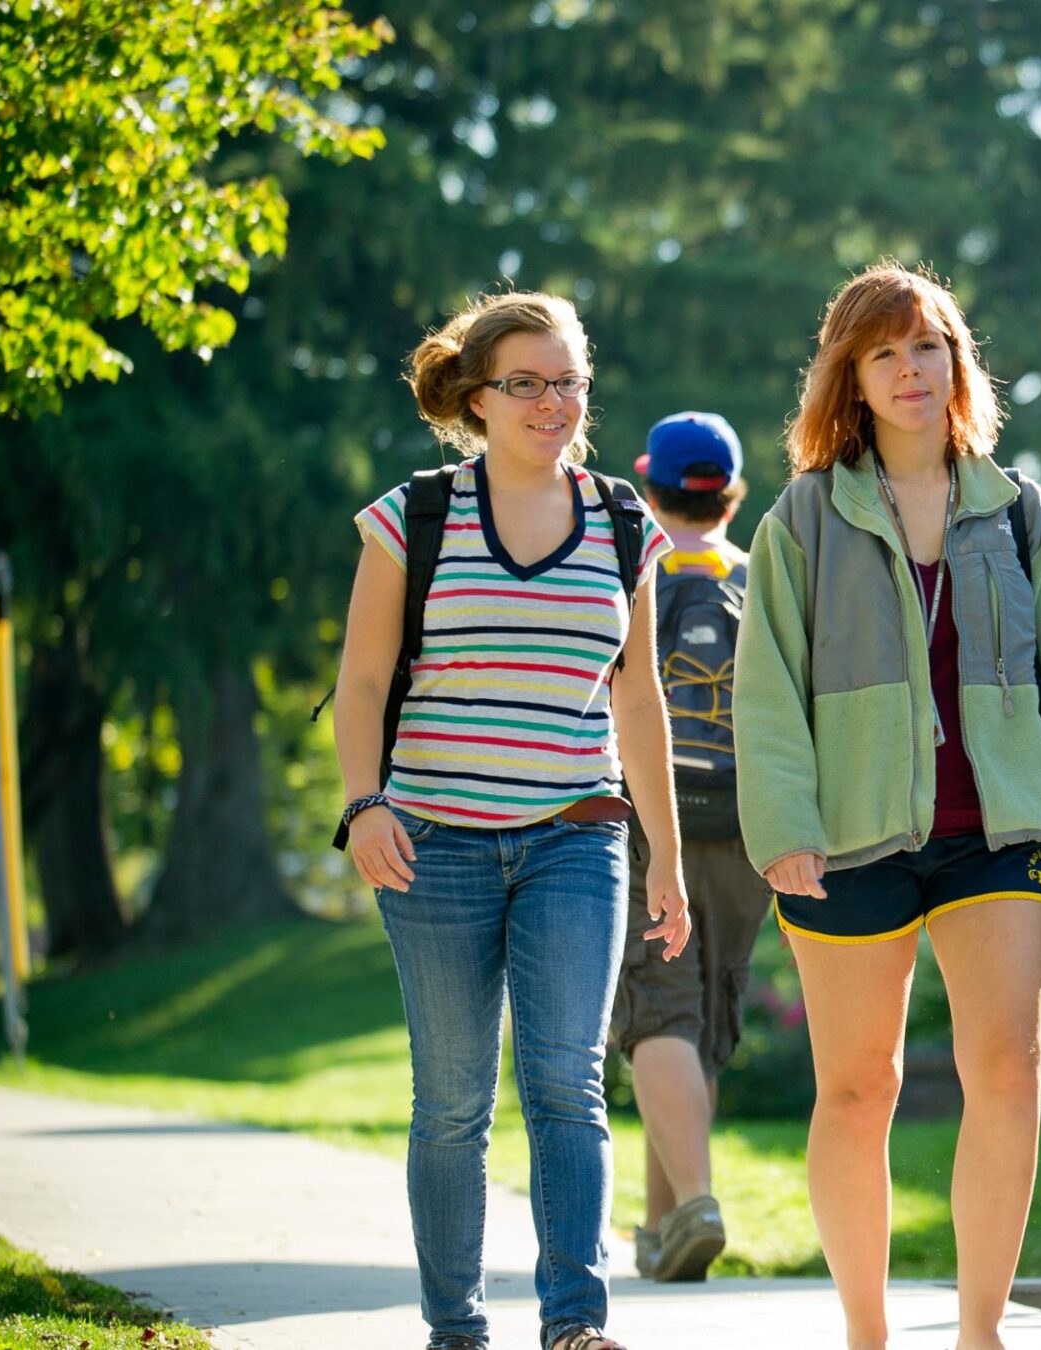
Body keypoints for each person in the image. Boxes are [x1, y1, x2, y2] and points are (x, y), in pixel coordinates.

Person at [734, 262, 1041, 1350]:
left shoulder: (1022, 513)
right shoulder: (802, 519)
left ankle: (981, 1334)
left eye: (928, 346)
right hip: (846, 838)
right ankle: (867, 1336)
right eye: (884, 352)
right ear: (852, 380)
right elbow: (768, 692)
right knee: (858, 1090)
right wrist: (783, 829)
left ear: (957, 361)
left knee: (1007, 1072)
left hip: (999, 832)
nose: (911, 369)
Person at [332, 290, 690, 1350]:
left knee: (568, 1084)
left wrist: (663, 851)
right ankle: (457, 1329)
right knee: (450, 1102)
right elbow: (361, 679)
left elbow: (640, 697)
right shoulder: (417, 515)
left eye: (569, 381)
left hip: (577, 836)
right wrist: (363, 806)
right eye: (526, 383)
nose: (552, 402)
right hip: (432, 842)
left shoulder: (626, 521)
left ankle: (576, 1325)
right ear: (478, 398)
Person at [606, 411, 776, 1282]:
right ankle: (661, 1227)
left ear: (652, 483)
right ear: (731, 490)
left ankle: (697, 1201)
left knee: (656, 1013)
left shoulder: (633, 573)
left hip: (651, 821)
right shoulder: (762, 581)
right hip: (747, 831)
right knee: (700, 1023)